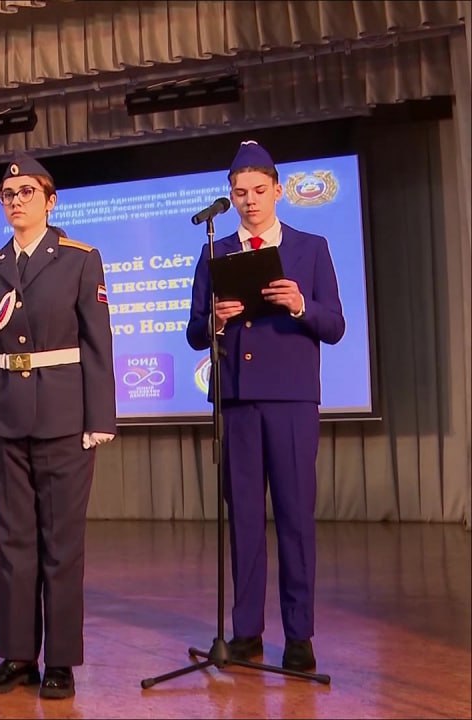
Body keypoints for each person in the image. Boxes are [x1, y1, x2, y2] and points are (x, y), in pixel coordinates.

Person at [186, 140, 345, 672]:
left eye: (258, 191)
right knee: (245, 522)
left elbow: (336, 325)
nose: (249, 201)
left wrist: (300, 303)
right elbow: (192, 332)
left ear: (278, 191)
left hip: (292, 399)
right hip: (236, 399)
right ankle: (246, 629)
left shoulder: (311, 247)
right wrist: (217, 320)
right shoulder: (216, 252)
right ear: (229, 198)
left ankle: (299, 634)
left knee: (296, 517)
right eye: (239, 193)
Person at [0, 154, 116, 699]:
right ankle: (18, 655)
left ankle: (61, 662)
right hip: (6, 414)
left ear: (50, 201)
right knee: (14, 543)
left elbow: (98, 343)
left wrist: (99, 417)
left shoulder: (79, 259)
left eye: (27, 192)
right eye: (8, 194)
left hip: (64, 417)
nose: (16, 201)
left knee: (61, 545)